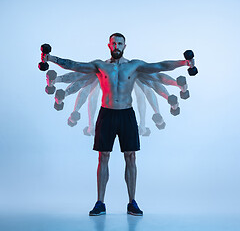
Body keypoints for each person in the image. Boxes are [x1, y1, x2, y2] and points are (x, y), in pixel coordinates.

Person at [41, 33, 194, 216]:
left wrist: (184, 63)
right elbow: (75, 65)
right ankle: (100, 203)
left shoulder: (134, 66)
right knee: (103, 157)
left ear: (124, 46)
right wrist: (51, 58)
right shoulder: (100, 66)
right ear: (109, 45)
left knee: (131, 157)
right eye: (113, 43)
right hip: (106, 114)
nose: (116, 46)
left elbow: (160, 66)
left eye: (119, 43)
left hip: (127, 114)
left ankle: (132, 203)